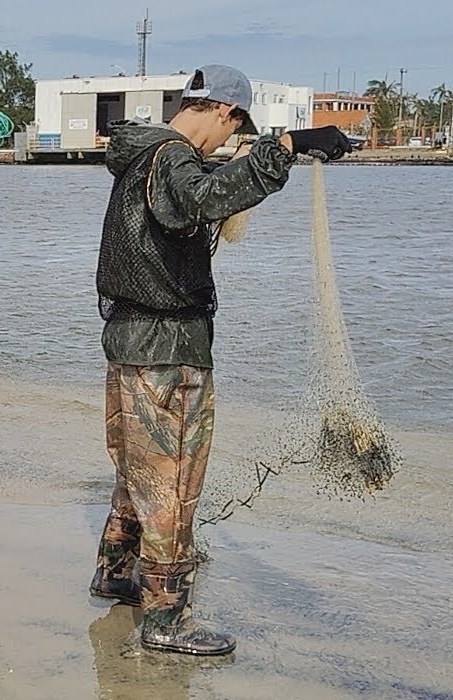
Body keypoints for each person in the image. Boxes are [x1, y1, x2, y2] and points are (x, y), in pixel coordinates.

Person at [88, 64, 354, 656]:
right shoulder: (171, 159)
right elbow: (201, 198)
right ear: (225, 113)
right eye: (235, 128)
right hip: (168, 351)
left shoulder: (142, 153)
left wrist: (265, 156)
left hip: (129, 344)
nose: (228, 141)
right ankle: (165, 618)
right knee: (173, 481)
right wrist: (285, 147)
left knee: (139, 470)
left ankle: (115, 571)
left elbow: (199, 188)